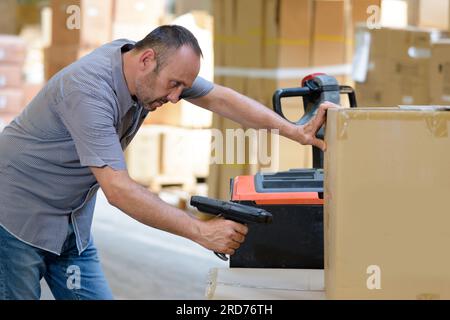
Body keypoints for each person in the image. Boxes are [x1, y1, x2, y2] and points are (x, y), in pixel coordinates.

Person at [0, 25, 334, 300]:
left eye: (183, 88)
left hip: (70, 223)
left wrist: (296, 131)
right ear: (146, 59)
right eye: (174, 85)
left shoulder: (141, 65)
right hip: (16, 219)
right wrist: (200, 230)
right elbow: (118, 190)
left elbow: (220, 98)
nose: (176, 98)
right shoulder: (88, 91)